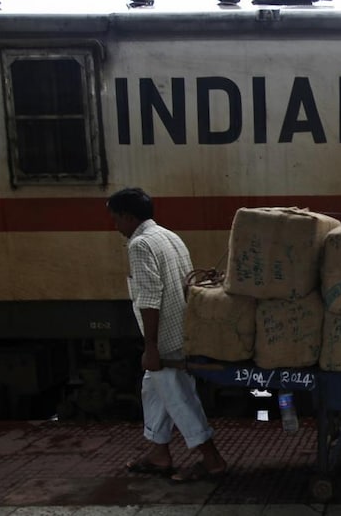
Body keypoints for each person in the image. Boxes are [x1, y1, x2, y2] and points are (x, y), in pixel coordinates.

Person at [107, 187, 228, 483]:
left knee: (177, 397)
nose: (115, 226)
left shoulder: (140, 244)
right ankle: (158, 453)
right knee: (153, 390)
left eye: (116, 219)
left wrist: (151, 346)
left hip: (165, 338)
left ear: (127, 216)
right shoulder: (168, 235)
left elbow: (150, 297)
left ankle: (212, 460)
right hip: (182, 329)